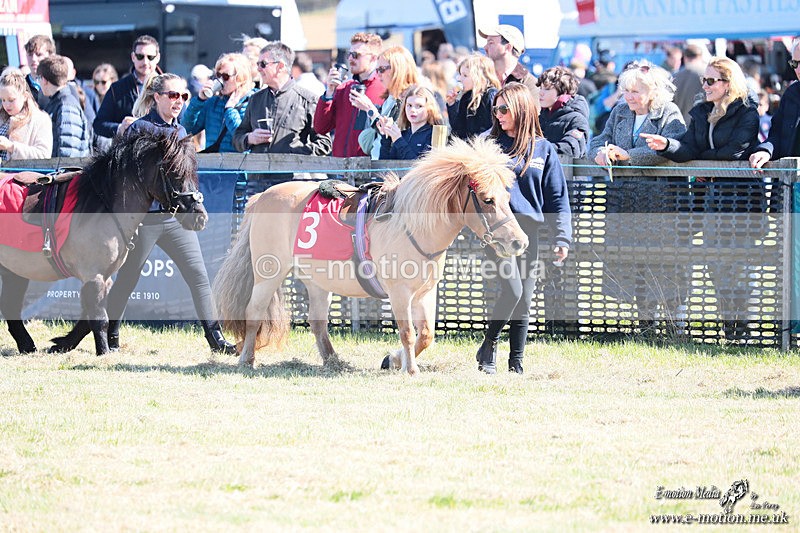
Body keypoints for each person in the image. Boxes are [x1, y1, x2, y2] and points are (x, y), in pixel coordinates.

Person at [104, 73, 236, 355]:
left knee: (199, 276)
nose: (179, 101)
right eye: (173, 95)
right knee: (128, 278)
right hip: (144, 219)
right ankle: (110, 337)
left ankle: (216, 341)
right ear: (157, 97)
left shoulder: (181, 132)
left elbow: (187, 179)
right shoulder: (139, 129)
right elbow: (124, 178)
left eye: (183, 96)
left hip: (175, 219)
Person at [641, 56, 761, 339]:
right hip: (711, 201)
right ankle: (728, 328)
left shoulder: (747, 112)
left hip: (741, 202)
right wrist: (668, 145)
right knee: (716, 266)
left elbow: (734, 153)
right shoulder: (701, 111)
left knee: (739, 267)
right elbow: (689, 148)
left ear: (727, 83)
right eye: (703, 80)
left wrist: (702, 162)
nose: (704, 86)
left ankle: (743, 329)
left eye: (710, 81)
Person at [475, 82, 572, 374]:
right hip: (498, 232)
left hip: (531, 233)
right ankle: (489, 346)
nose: (498, 114)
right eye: (496, 109)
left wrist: (562, 237)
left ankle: (516, 362)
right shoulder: (487, 144)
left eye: (504, 109)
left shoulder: (544, 149)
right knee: (512, 291)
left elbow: (557, 197)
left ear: (521, 109)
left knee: (525, 299)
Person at [588, 61, 687, 331]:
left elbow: (669, 149)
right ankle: (645, 323)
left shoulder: (669, 112)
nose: (629, 96)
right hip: (624, 200)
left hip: (659, 202)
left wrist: (630, 155)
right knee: (633, 261)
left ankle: (673, 324)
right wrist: (598, 152)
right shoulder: (620, 111)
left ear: (653, 91)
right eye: (626, 90)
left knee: (661, 263)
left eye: (636, 91)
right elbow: (599, 138)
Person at [232, 41, 331, 162]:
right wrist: (249, 138)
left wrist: (294, 155)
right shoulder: (255, 99)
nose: (258, 69)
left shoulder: (308, 100)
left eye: (263, 64)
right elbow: (237, 137)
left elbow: (324, 143)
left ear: (280, 66)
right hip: (257, 178)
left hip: (292, 179)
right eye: (258, 64)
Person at [313, 32, 385, 157]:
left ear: (373, 57)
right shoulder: (344, 89)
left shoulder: (385, 89)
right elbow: (321, 128)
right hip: (341, 169)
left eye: (356, 55)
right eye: (349, 54)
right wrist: (329, 92)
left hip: (370, 170)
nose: (350, 59)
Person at [351, 45, 419, 159]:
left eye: (382, 69)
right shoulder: (391, 98)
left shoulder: (413, 99)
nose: (378, 74)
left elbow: (392, 134)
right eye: (377, 70)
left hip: (397, 170)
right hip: (379, 165)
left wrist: (370, 110)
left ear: (398, 70)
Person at [182, 53, 256, 153]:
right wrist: (199, 101)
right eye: (218, 75)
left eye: (225, 76)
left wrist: (230, 110)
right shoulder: (213, 103)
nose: (220, 80)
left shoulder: (254, 102)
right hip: (214, 165)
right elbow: (185, 130)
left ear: (240, 78)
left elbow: (243, 140)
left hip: (240, 165)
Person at [94, 35, 161, 139]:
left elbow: (181, 124)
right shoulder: (116, 88)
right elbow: (98, 125)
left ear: (157, 58)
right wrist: (120, 128)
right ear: (133, 57)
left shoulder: (169, 87)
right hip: (128, 151)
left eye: (150, 57)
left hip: (160, 151)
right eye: (140, 56)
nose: (145, 62)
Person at [749, 41, 800, 169]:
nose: (798, 69)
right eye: (795, 63)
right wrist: (766, 150)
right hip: (791, 183)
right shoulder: (791, 93)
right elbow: (777, 134)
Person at [36, 55, 91, 158]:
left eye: (39, 78)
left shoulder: (66, 105)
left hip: (67, 172)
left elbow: (69, 152)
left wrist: (62, 173)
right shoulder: (57, 102)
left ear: (44, 80)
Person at [378, 84, 445, 160]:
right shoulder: (403, 135)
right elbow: (384, 166)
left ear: (429, 109)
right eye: (409, 105)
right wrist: (386, 137)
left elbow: (420, 167)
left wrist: (398, 140)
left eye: (419, 106)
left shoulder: (433, 135)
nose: (412, 110)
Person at [536, 66, 590, 158]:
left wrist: (538, 149)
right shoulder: (539, 118)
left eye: (547, 89)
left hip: (565, 171)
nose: (541, 92)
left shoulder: (576, 119)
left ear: (563, 92)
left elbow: (572, 149)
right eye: (540, 88)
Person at [0, 67, 52, 162]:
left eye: (11, 100)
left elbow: (44, 155)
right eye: (3, 100)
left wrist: (11, 147)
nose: (6, 105)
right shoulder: (2, 117)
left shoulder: (41, 119)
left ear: (24, 96)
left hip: (23, 176)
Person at [446, 53, 500, 140]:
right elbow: (458, 130)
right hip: (466, 148)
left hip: (483, 149)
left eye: (465, 75)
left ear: (479, 77)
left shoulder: (491, 95)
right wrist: (452, 104)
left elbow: (494, 129)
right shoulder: (466, 96)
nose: (459, 78)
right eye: (460, 74)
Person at [479, 25, 538, 103]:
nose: (485, 47)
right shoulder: (480, 78)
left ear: (508, 47)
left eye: (491, 43)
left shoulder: (529, 84)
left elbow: (532, 114)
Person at [672, 43, 707, 125]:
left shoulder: (675, 76)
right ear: (700, 57)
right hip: (700, 126)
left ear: (685, 57)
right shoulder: (707, 75)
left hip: (678, 126)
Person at [86, 63, 118, 152]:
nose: (100, 85)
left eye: (103, 82)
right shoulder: (91, 97)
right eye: (96, 82)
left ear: (112, 80)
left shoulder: (118, 98)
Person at [22, 34, 55, 106]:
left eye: (39, 54)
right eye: (30, 54)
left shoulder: (58, 86)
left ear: (51, 56)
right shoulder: (19, 86)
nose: (33, 59)